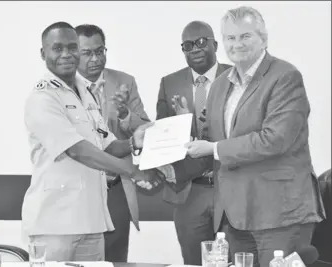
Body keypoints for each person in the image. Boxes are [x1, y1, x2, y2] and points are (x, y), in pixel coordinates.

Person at [173, 7, 326, 267]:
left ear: (263, 38)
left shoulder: (285, 77)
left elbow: (275, 139)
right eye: (230, 38)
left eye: (245, 36)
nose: (237, 44)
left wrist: (213, 148)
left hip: (280, 213)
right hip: (234, 215)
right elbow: (212, 138)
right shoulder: (221, 84)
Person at [22, 21, 162, 262]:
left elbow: (105, 144)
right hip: (56, 223)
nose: (66, 54)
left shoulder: (84, 93)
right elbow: (78, 150)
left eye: (72, 47)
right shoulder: (42, 97)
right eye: (57, 48)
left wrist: (133, 142)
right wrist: (132, 171)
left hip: (92, 220)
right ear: (43, 53)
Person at [156, 20, 231, 265]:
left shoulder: (236, 77)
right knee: (193, 262)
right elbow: (163, 136)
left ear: (215, 44)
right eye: (188, 45)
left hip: (231, 188)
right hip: (190, 192)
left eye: (201, 42)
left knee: (234, 260)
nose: (195, 49)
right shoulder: (170, 83)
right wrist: (181, 124)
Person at [74, 24, 150, 262]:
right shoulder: (61, 88)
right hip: (79, 190)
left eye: (100, 51)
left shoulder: (124, 82)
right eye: (87, 53)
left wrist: (126, 115)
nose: (95, 59)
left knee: (115, 258)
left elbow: (144, 128)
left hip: (115, 187)